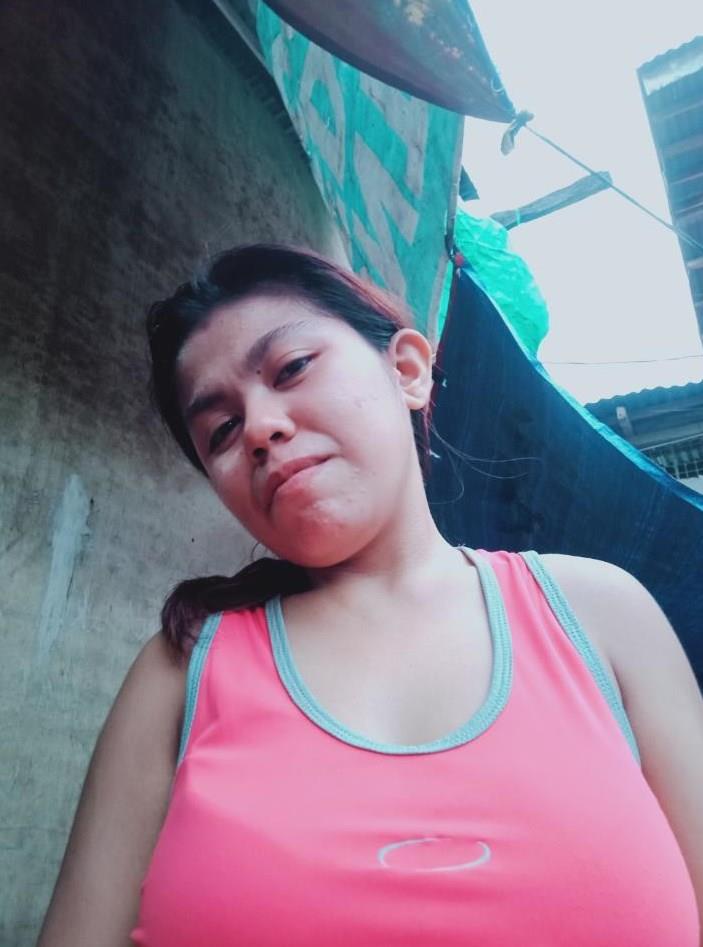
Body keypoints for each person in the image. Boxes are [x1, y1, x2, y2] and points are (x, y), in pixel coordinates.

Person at [38, 244, 702, 946]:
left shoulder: (601, 614)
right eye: (221, 430)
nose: (259, 428)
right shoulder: (180, 671)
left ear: (407, 369)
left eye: (292, 368)